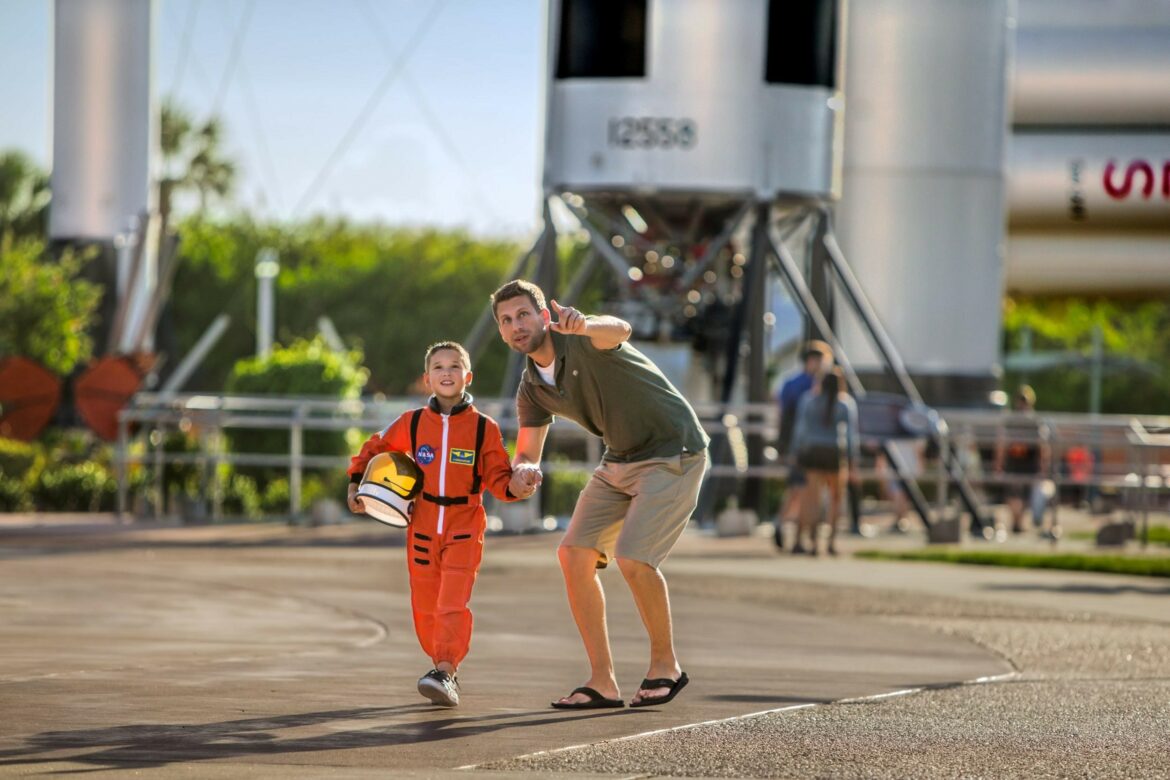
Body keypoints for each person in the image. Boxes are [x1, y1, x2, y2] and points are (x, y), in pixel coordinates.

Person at [491, 280, 709, 710]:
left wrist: (585, 323)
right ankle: (602, 682)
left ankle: (666, 666)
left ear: (544, 316)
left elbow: (621, 330)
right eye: (506, 320)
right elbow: (527, 451)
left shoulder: (584, 340)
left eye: (523, 314)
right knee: (573, 555)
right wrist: (524, 471)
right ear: (501, 332)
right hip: (620, 459)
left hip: (673, 451)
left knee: (633, 557)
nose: (516, 325)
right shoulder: (532, 387)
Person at [346, 341, 540, 707]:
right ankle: (439, 665)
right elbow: (375, 447)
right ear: (427, 379)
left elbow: (500, 478)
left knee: (453, 601)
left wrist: (518, 484)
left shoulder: (484, 428)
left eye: (454, 366)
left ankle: (446, 670)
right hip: (421, 524)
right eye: (438, 367)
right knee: (425, 605)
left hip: (464, 524)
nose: (447, 372)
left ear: (468, 376)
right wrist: (356, 484)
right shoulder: (412, 422)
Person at [790, 367, 859, 556]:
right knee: (836, 498)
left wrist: (795, 452)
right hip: (834, 453)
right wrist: (853, 461)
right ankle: (831, 542)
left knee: (812, 499)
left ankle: (812, 542)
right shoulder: (845, 404)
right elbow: (852, 436)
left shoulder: (809, 401)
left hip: (812, 452)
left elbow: (800, 430)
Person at [774, 341, 832, 549]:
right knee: (804, 490)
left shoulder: (792, 383)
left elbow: (781, 418)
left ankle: (786, 527)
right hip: (804, 446)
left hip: (800, 444)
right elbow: (788, 419)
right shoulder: (811, 386)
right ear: (812, 361)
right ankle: (793, 532)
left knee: (800, 490)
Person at [994, 384, 1052, 537]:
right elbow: (1002, 443)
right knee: (1016, 495)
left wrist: (1043, 464)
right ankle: (1017, 522)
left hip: (1026, 463)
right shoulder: (1031, 421)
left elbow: (1042, 446)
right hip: (1016, 462)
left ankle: (1017, 522)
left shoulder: (1030, 421)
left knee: (1021, 495)